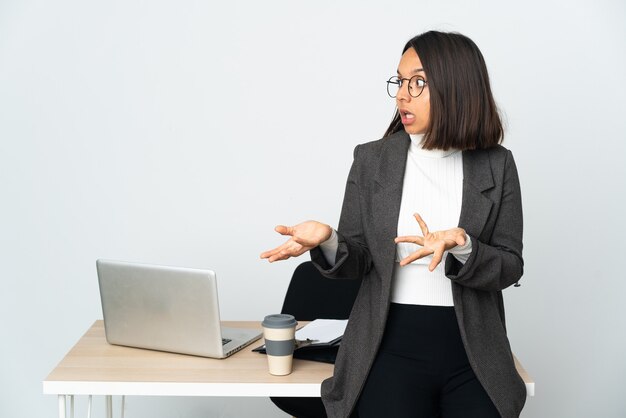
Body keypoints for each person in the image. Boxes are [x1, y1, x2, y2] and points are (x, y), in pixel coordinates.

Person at [261, 30, 526, 418]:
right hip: (388, 344)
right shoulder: (371, 160)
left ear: (457, 89)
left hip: (474, 351)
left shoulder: (497, 164)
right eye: (400, 81)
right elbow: (357, 261)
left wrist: (465, 245)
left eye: (417, 83)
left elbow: (510, 266)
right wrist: (329, 240)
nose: (402, 94)